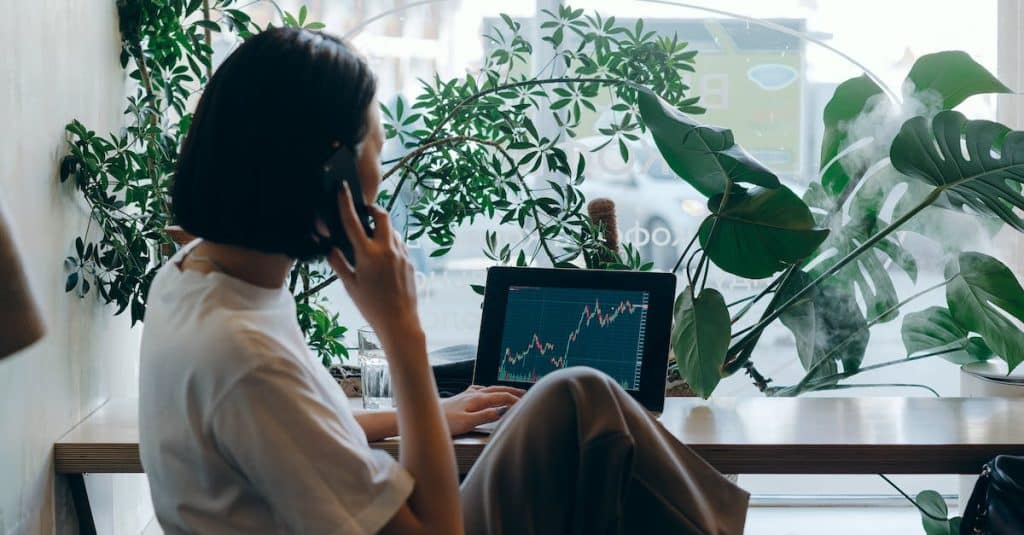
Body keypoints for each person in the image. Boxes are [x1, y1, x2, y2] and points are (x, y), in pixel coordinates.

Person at [138, 27, 748, 535]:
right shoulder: (247, 358)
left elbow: (301, 430)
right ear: (334, 176)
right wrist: (402, 333)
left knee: (577, 397)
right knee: (594, 433)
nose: (387, 161)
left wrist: (436, 412)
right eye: (378, 144)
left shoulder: (198, 278)